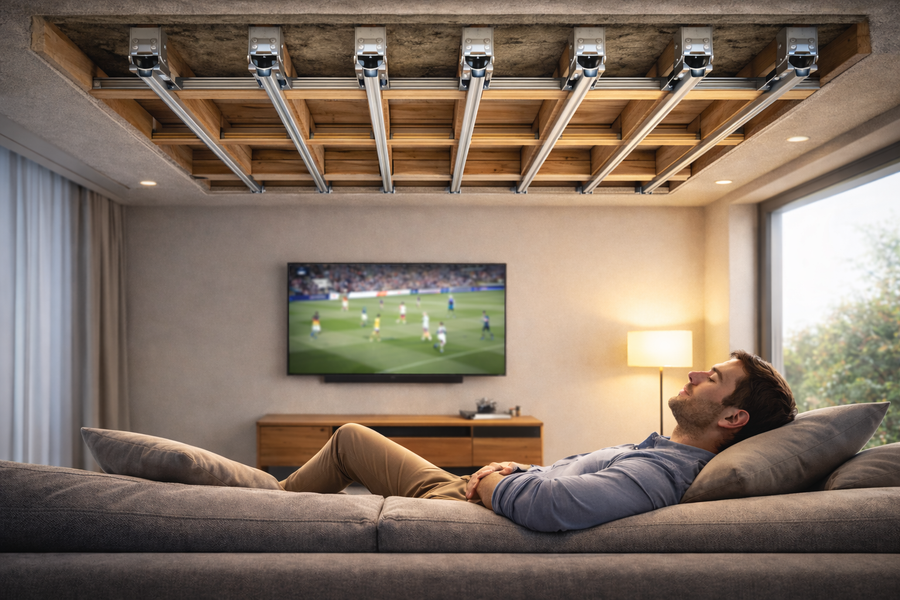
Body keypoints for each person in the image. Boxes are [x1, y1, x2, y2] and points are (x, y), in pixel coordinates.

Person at [278, 351, 796, 533]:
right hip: (474, 493)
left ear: (733, 416)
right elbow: (558, 485)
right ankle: (265, 494)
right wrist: (518, 473)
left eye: (713, 377)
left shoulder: (664, 472)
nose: (693, 372)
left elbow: (555, 507)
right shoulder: (665, 454)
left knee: (347, 440)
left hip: (466, 509)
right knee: (349, 439)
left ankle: (259, 502)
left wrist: (492, 484)